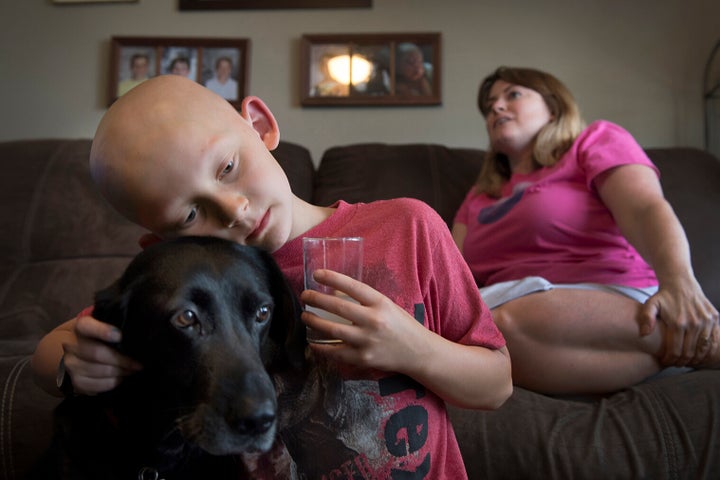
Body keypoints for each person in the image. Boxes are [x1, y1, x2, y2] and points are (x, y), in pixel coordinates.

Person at [31, 75, 511, 478]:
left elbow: (496, 384)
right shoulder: (197, 280)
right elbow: (58, 347)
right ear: (164, 245)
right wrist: (68, 361)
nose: (234, 210)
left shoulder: (407, 227)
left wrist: (413, 348)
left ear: (259, 126)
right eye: (191, 214)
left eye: (227, 168)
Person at [452, 66, 720, 395]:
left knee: (505, 324)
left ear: (553, 106)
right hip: (511, 305)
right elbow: (454, 274)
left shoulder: (593, 141)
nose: (496, 107)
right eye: (490, 104)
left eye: (513, 95)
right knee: (482, 328)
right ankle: (686, 345)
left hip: (612, 294)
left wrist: (679, 283)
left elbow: (644, 208)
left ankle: (703, 340)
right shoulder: (478, 196)